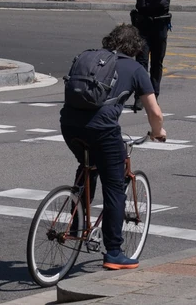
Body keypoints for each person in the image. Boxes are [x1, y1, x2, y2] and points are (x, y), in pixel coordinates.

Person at [60, 24, 167, 270]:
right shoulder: (135, 69)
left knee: (87, 165)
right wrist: (157, 132)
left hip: (69, 125)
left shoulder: (89, 58)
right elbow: (155, 112)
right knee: (115, 187)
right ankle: (114, 252)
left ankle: (76, 224)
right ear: (135, 47)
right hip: (103, 131)